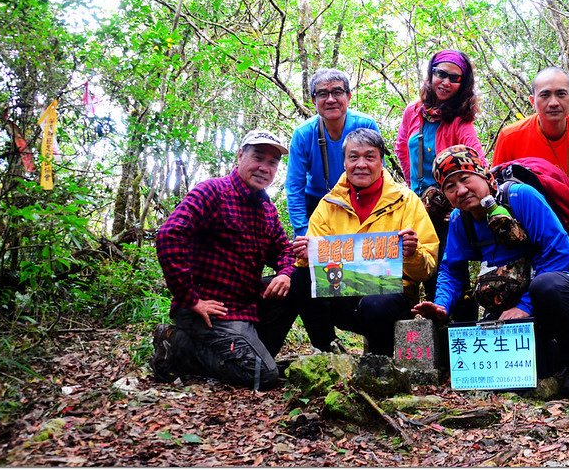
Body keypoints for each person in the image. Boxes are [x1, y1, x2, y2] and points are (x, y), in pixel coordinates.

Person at [413, 145, 569, 400]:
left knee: (547, 286)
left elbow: (559, 252)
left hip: (567, 290)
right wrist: (442, 305)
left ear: (482, 173)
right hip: (514, 295)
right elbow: (452, 270)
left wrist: (525, 306)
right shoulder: (460, 219)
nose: (460, 190)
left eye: (465, 178)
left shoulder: (520, 196)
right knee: (529, 369)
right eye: (450, 186)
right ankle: (554, 360)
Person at [150, 129, 297, 390]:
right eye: (258, 157)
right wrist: (190, 298)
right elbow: (169, 235)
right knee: (264, 376)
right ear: (240, 156)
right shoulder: (213, 191)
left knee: (294, 286)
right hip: (209, 310)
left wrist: (285, 273)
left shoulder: (266, 209)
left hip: (243, 307)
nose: (264, 167)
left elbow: (284, 250)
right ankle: (175, 344)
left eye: (272, 163)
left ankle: (249, 356)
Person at [287, 128, 439, 356]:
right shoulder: (329, 204)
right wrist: (305, 255)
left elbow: (426, 269)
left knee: (375, 304)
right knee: (299, 278)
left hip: (393, 294)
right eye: (353, 157)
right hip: (342, 291)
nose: (361, 164)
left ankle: (380, 364)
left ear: (381, 161)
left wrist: (412, 253)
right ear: (345, 162)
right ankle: (328, 352)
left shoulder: (406, 200)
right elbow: (312, 268)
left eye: (369, 157)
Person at [394, 49, 485, 318]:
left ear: (463, 83)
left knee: (447, 270)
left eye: (454, 78)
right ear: (430, 74)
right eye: (440, 74)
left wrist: (458, 199)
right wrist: (416, 186)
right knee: (414, 269)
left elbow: (477, 161)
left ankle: (457, 336)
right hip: (418, 205)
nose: (445, 82)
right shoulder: (413, 111)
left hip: (448, 210)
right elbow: (402, 147)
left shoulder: (460, 119)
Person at [491, 67, 569, 210]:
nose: (553, 103)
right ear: (532, 101)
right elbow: (497, 186)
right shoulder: (509, 136)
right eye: (545, 95)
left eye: (561, 94)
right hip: (525, 217)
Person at [286, 68, 380, 238]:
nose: (330, 100)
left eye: (337, 92)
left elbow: (379, 172)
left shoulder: (366, 125)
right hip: (317, 204)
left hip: (359, 201)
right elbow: (294, 186)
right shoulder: (304, 134)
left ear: (348, 96)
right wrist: (303, 231)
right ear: (314, 100)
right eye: (322, 94)